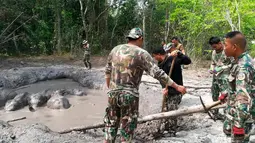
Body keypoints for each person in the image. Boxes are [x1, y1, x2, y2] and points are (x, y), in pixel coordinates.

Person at [104, 28, 187, 143]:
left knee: (110, 125)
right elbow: (157, 73)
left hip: (112, 94)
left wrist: (111, 88)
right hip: (129, 95)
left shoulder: (115, 50)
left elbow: (107, 71)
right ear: (140, 38)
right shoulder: (141, 53)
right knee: (127, 130)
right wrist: (177, 86)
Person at [219, 31, 255, 143]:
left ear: (234, 47)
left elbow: (243, 97)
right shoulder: (237, 61)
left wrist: (238, 124)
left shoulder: (243, 66)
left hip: (242, 117)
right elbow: (236, 85)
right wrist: (227, 93)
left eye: (226, 45)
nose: (224, 48)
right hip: (236, 112)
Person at [152, 44, 191, 136]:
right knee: (166, 110)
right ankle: (166, 127)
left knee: (172, 111)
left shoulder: (173, 59)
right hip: (167, 91)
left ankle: (172, 131)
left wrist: (180, 54)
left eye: (154, 56)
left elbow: (188, 61)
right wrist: (163, 88)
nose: (154, 58)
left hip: (176, 91)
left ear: (158, 54)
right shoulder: (160, 64)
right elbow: (162, 78)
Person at [208, 36, 232, 119]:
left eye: (215, 46)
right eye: (212, 47)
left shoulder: (227, 51)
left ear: (220, 43)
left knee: (225, 96)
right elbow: (213, 62)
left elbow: (233, 64)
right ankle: (215, 112)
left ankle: (227, 114)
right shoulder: (214, 52)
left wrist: (222, 67)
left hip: (225, 77)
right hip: (216, 77)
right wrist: (212, 68)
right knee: (214, 94)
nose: (214, 48)